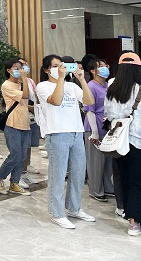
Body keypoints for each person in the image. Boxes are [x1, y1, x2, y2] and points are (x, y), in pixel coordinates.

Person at [36, 54, 96, 230]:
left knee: (78, 173)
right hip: (57, 134)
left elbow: (89, 101)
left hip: (76, 132)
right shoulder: (42, 86)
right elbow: (56, 101)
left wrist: (82, 80)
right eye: (55, 66)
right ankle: (56, 213)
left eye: (61, 65)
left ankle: (74, 208)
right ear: (47, 69)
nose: (59, 68)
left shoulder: (72, 86)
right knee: (58, 174)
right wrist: (61, 78)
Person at [104, 52, 141, 236]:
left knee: (126, 180)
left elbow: (108, 114)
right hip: (139, 141)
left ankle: (132, 216)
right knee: (139, 183)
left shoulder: (112, 89)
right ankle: (134, 223)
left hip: (119, 142)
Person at [0, 58, 32, 196]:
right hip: (13, 124)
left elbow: (27, 101)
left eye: (21, 67)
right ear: (8, 70)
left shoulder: (21, 84)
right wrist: (24, 78)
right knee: (15, 155)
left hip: (25, 123)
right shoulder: (6, 85)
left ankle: (15, 183)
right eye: (16, 67)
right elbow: (25, 95)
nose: (20, 70)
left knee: (22, 156)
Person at [83, 58, 114, 202]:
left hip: (107, 127)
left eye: (105, 65)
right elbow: (90, 110)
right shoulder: (91, 86)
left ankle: (108, 187)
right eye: (100, 66)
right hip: (94, 127)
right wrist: (94, 132)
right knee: (96, 161)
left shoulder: (107, 85)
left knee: (108, 161)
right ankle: (95, 190)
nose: (104, 68)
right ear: (92, 71)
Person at [18, 58, 41, 186]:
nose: (25, 67)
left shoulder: (30, 81)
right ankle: (18, 175)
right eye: (22, 65)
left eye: (26, 64)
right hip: (21, 117)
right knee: (20, 148)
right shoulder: (15, 82)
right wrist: (30, 108)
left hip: (31, 117)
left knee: (28, 146)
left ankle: (25, 171)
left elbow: (35, 97)